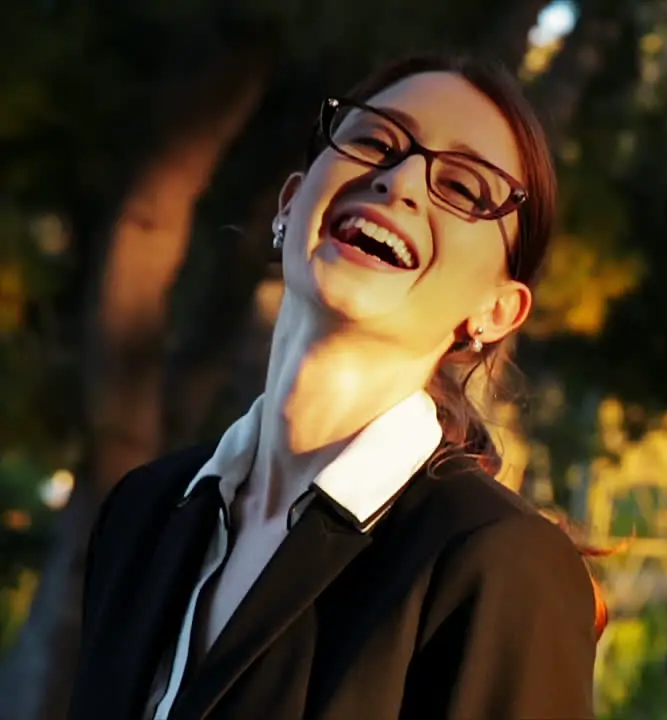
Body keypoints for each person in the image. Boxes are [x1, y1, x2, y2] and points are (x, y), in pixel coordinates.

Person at [68, 54, 604, 720]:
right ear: (290, 204)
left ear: (496, 312)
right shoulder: (142, 514)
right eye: (376, 140)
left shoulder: (498, 563)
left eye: (465, 188)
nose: (400, 178)